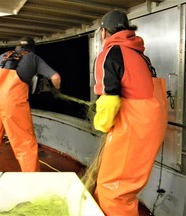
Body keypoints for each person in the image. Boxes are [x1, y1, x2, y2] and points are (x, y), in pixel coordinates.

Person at [92, 10, 168, 215]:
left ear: (103, 32)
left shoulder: (111, 52)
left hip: (133, 127)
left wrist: (101, 124)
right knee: (125, 187)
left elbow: (109, 100)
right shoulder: (139, 54)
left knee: (113, 191)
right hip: (151, 125)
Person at [0, 36, 61, 190]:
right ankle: (32, 185)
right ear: (32, 49)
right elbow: (56, 77)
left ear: (17, 48)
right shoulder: (34, 58)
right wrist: (56, 91)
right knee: (24, 143)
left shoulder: (4, 55)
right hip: (13, 103)